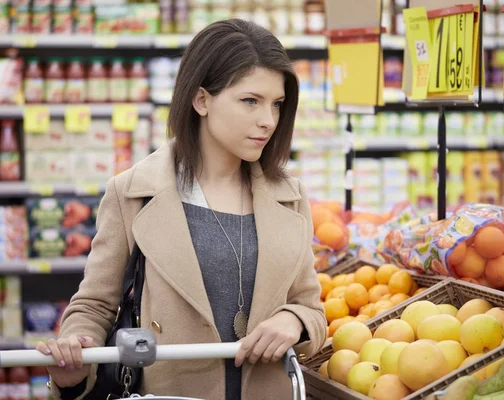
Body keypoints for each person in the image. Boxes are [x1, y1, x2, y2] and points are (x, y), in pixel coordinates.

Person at [37, 18, 327, 400]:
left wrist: (293, 320)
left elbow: (311, 308)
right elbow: (94, 305)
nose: (268, 120)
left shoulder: (289, 196)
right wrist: (76, 350)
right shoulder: (132, 194)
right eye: (250, 101)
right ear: (201, 99)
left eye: (277, 104)